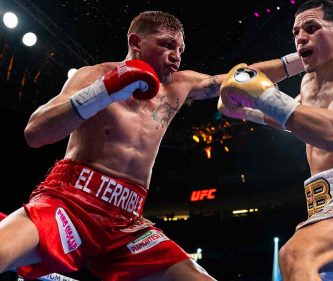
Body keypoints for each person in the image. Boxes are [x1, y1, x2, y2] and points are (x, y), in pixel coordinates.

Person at [0, 10, 298, 281]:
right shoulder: (93, 76)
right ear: (135, 42)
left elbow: (240, 79)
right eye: (167, 44)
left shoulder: (180, 85)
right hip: (71, 202)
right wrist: (103, 92)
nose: (176, 56)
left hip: (127, 222)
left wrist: (301, 61)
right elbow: (35, 132)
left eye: (180, 49)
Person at [218, 0, 333, 280]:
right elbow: (247, 81)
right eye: (295, 33)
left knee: (294, 255)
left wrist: (265, 96)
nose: (300, 36)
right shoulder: (309, 83)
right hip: (326, 208)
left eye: (311, 27)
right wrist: (246, 111)